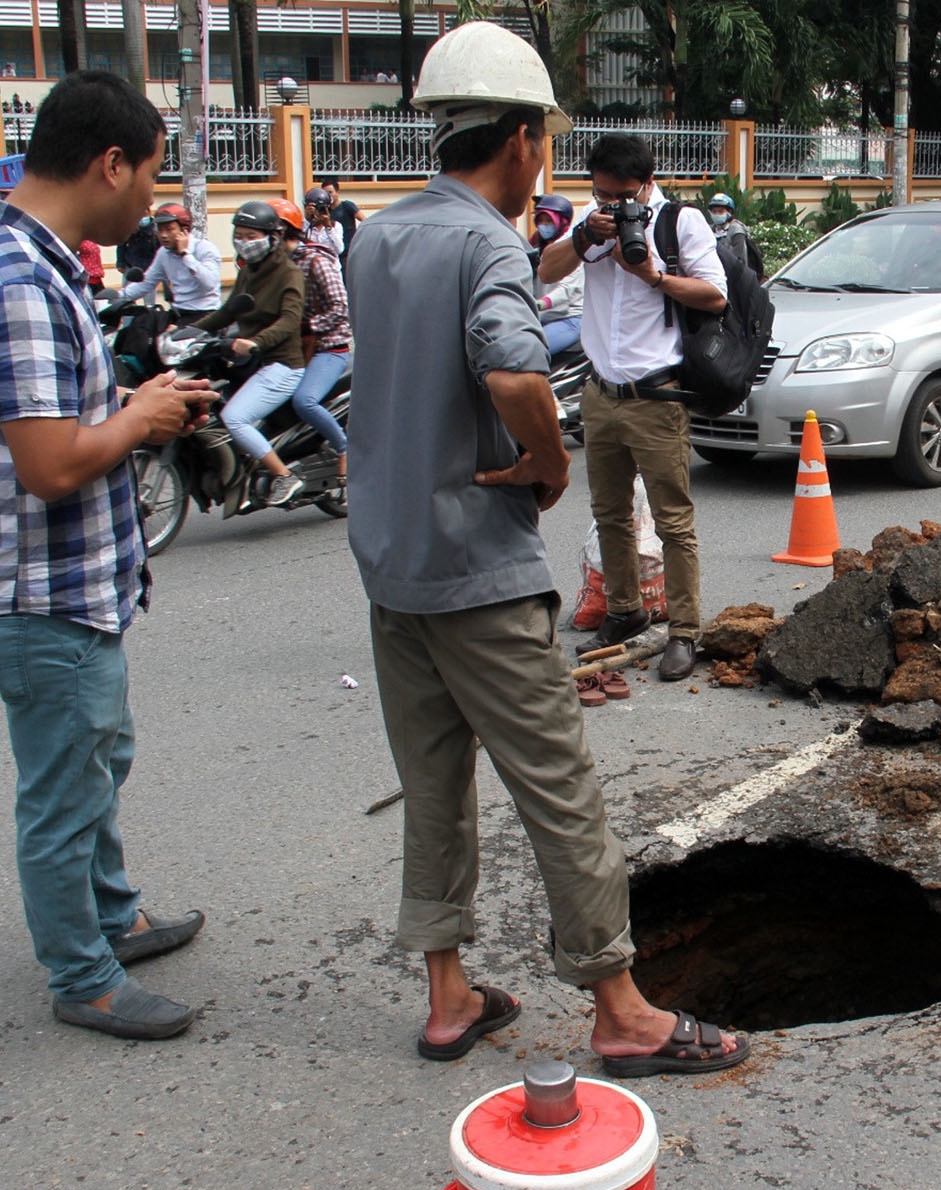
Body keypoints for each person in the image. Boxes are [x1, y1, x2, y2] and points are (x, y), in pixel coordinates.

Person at [343, 20, 749, 1075]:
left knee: (433, 783)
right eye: (545, 146)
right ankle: (621, 1008)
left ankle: (447, 998)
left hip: (392, 566)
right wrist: (543, 460)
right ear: (521, 139)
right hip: (476, 564)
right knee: (557, 786)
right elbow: (516, 373)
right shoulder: (485, 241)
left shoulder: (377, 237)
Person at [0, 71, 219, 1041]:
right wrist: (140, 416)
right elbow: (51, 463)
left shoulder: (33, 259)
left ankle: (112, 916)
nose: (153, 197)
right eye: (148, 173)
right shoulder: (17, 279)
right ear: (108, 164)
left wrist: (139, 407)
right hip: (37, 595)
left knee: (97, 759)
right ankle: (83, 973)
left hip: (64, 590)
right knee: (64, 790)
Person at [537, 131, 728, 683]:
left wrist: (655, 277)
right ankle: (624, 611)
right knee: (610, 514)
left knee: (672, 521)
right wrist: (582, 234)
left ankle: (685, 631)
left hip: (657, 397)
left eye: (621, 196)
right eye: (600, 195)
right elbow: (546, 271)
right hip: (600, 394)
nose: (611, 205)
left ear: (647, 184)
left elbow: (716, 295)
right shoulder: (589, 223)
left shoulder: (679, 222)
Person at [196, 200, 309, 505]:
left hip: (282, 364)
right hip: (250, 363)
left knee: (235, 417)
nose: (245, 243)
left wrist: (256, 341)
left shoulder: (289, 273)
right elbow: (227, 312)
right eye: (240, 236)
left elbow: (289, 320)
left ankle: (285, 476)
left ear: (272, 237)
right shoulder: (249, 272)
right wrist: (187, 332)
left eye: (252, 236)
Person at [282, 195, 352, 483]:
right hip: (293, 345)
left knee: (304, 401)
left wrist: (309, 326)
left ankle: (344, 447)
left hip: (329, 345)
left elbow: (340, 307)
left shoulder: (316, 259)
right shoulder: (273, 265)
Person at [123, 202, 222, 321]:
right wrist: (117, 297)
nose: (163, 235)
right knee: (140, 329)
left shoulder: (205, 249)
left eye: (169, 229)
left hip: (205, 315)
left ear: (184, 230)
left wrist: (186, 254)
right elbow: (147, 282)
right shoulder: (163, 253)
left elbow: (209, 283)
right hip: (178, 313)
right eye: (160, 230)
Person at [529, 193, 585, 355]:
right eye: (540, 221)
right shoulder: (536, 249)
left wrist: (540, 303)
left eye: (549, 221)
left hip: (569, 318)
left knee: (531, 352)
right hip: (543, 317)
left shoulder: (572, 249)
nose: (544, 226)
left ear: (562, 222)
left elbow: (567, 290)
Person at [707, 191, 763, 278]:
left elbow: (739, 260)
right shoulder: (709, 230)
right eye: (714, 211)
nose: (717, 214)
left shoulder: (736, 230)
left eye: (721, 211)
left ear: (729, 212)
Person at [116, 207, 159, 284]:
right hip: (130, 265)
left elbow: (159, 248)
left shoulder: (155, 227)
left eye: (144, 213)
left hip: (149, 266)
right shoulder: (130, 226)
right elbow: (121, 245)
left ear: (149, 213)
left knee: (149, 291)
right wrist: (120, 263)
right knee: (128, 291)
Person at [320, 179, 364, 254]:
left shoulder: (347, 205)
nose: (328, 196)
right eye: (325, 193)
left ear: (337, 192)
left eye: (330, 192)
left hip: (350, 250)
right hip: (335, 252)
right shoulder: (324, 211)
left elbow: (364, 220)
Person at [302, 186, 344, 255]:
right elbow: (297, 246)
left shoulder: (336, 226)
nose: (318, 212)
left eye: (321, 209)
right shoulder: (303, 226)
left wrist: (329, 227)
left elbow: (339, 250)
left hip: (330, 264)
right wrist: (307, 221)